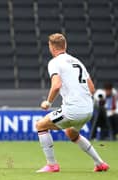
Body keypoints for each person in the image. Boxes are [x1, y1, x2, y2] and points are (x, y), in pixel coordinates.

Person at [35, 33, 109, 172]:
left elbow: (56, 85)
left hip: (73, 110)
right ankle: (100, 164)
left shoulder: (54, 62)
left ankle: (52, 165)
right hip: (88, 110)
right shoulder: (77, 61)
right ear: (65, 46)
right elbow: (92, 88)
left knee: (40, 125)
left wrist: (48, 102)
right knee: (71, 133)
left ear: (51, 47)